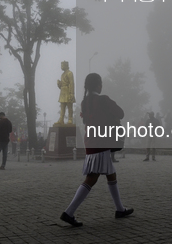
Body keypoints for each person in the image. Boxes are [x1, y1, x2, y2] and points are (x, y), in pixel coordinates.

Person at [60, 73, 133, 227]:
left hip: (91, 141)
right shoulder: (103, 99)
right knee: (92, 178)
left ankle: (120, 209)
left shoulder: (85, 102)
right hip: (102, 142)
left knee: (111, 174)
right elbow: (120, 113)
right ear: (98, 85)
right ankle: (69, 212)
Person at [56, 61, 76, 125]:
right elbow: (62, 85)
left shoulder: (70, 73)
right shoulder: (62, 74)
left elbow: (72, 83)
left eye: (62, 65)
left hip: (68, 91)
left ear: (66, 65)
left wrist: (72, 93)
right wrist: (59, 84)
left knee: (69, 106)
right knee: (62, 106)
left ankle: (70, 119)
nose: (61, 67)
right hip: (63, 91)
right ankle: (61, 119)